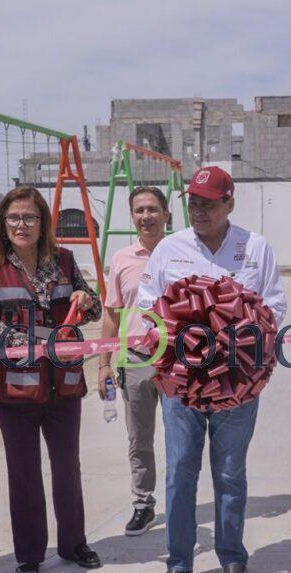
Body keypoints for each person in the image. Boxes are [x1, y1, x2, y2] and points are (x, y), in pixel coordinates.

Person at [136, 166, 286, 573]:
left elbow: (273, 306)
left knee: (229, 472)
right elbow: (147, 312)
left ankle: (232, 557)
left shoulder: (255, 249)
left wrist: (248, 363)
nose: (199, 210)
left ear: (230, 203)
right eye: (193, 202)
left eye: (209, 202)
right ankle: (179, 562)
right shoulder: (169, 248)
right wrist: (161, 371)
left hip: (237, 387)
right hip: (181, 386)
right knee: (180, 472)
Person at [0, 186, 102, 573]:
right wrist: (37, 344)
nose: (22, 225)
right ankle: (29, 554)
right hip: (13, 387)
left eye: (30, 217)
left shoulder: (63, 260)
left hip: (63, 382)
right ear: (2, 224)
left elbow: (92, 305)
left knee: (67, 465)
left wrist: (84, 295)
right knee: (23, 469)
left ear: (42, 222)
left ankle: (73, 543)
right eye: (14, 218)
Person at [98, 187, 169, 537]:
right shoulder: (123, 259)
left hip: (177, 362)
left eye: (153, 209)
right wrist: (103, 364)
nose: (146, 216)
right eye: (140, 210)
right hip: (136, 360)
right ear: (132, 216)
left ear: (166, 214)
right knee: (139, 438)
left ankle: (181, 500)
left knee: (183, 438)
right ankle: (143, 503)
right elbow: (111, 314)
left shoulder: (183, 254)